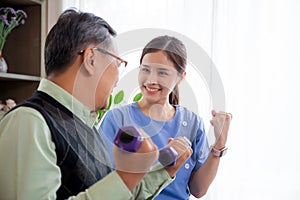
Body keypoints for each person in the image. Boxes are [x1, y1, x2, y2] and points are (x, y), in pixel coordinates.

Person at [0, 10, 193, 200]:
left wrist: (164, 170)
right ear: (91, 58)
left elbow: (118, 194)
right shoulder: (29, 121)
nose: (118, 79)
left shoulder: (84, 127)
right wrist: (126, 177)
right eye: (117, 63)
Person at [99, 35, 233, 199]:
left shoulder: (192, 123)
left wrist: (219, 145)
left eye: (162, 73)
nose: (151, 80)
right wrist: (165, 160)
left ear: (180, 77)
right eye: (145, 69)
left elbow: (198, 190)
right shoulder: (117, 119)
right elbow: (105, 186)